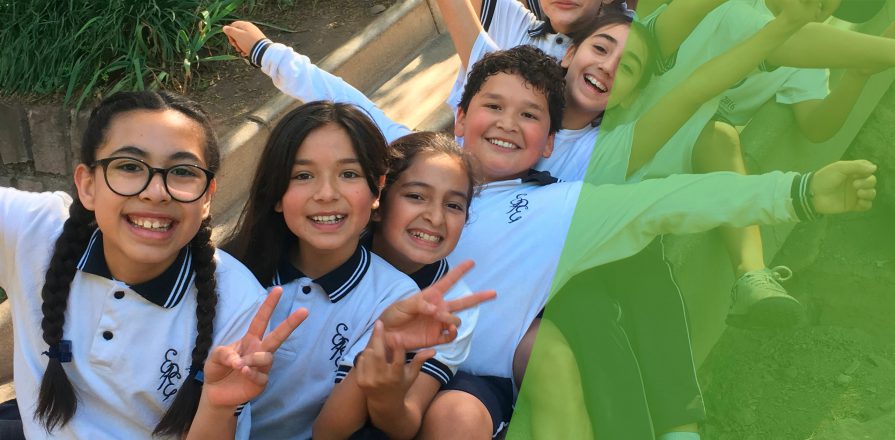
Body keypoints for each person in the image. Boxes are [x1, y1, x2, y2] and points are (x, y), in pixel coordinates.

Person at [225, 8, 878, 436]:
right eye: (492, 108)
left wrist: (797, 192)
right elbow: (347, 102)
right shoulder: (412, 157)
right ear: (460, 114)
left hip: (443, 369)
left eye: (530, 117)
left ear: (547, 143)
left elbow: (677, 196)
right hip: (321, 359)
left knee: (528, 366)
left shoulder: (563, 199)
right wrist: (266, 54)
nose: (508, 124)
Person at [0, 91, 305, 439]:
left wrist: (217, 405)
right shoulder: (34, 230)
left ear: (207, 197)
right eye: (130, 166)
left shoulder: (238, 301)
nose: (156, 192)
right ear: (87, 185)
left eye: (182, 171)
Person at [221, 102, 492, 439]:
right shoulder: (229, 271)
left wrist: (380, 356)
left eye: (348, 174)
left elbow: (333, 432)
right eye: (303, 175)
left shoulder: (395, 297)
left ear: (376, 190)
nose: (326, 194)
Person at [314, 132, 485, 439]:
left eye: (454, 205)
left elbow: (406, 422)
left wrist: (387, 399)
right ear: (378, 203)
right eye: (416, 196)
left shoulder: (454, 306)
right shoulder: (334, 251)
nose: (435, 218)